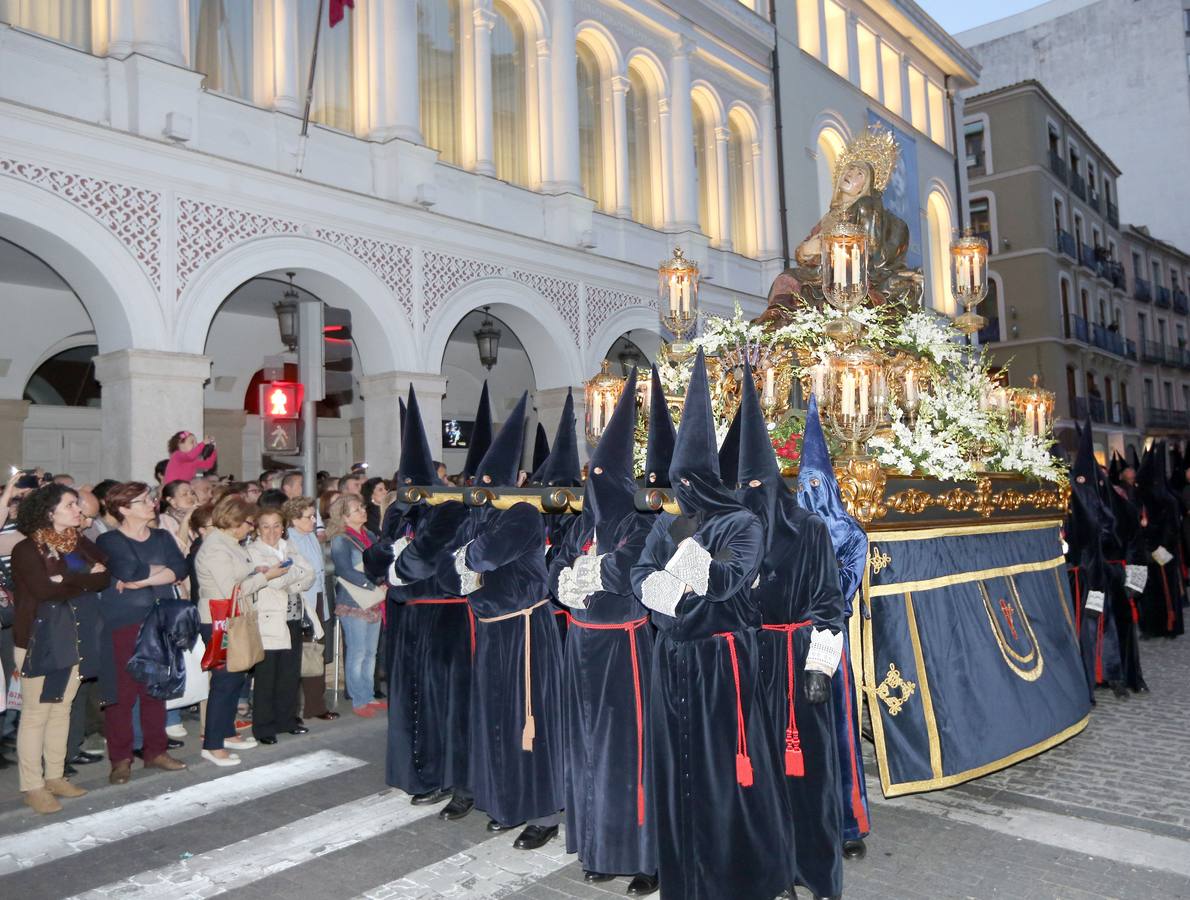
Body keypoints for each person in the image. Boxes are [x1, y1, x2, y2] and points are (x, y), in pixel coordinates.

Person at [631, 351, 794, 900]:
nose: (677, 494)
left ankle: (752, 876)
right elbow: (641, 574)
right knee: (677, 771)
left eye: (685, 483)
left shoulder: (742, 522)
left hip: (722, 663)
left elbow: (726, 580)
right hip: (671, 660)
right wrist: (664, 588)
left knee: (732, 772)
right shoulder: (671, 524)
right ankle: (688, 878)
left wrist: (677, 566)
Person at [731, 372, 847, 900]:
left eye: (758, 487)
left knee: (808, 775)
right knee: (759, 776)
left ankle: (816, 874)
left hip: (799, 661)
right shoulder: (732, 535)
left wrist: (820, 666)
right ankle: (773, 873)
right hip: (751, 661)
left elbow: (829, 602)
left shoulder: (811, 531)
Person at [438, 392, 565, 851]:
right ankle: (506, 801)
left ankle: (544, 811)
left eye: (496, 479)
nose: (486, 485)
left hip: (526, 631)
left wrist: (465, 559)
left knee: (530, 719)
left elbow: (485, 557)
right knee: (495, 719)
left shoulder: (526, 514)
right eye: (483, 478)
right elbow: (446, 574)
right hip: (492, 632)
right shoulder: (478, 517)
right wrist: (463, 561)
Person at [549, 371, 659, 894]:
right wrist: (565, 581)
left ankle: (643, 856)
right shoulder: (580, 525)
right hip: (581, 644)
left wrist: (593, 572)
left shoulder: (637, 522)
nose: (591, 485)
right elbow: (557, 569)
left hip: (623, 646)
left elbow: (633, 569)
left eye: (599, 477)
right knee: (587, 748)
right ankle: (597, 845)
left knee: (628, 751)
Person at [365, 386, 472, 812]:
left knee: (447, 702)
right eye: (402, 484)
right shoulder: (397, 511)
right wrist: (387, 560)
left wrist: (395, 566)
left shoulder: (449, 509)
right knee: (410, 700)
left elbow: (421, 563)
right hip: (406, 619)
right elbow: (373, 558)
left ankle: (455, 780)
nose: (408, 490)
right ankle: (419, 774)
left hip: (446, 620)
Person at [795, 396, 871, 862]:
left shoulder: (851, 532)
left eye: (818, 482)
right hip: (792, 641)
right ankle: (805, 819)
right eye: (806, 483)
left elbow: (844, 589)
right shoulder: (788, 527)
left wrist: (816, 605)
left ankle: (846, 822)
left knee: (838, 731)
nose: (812, 490)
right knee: (800, 732)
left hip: (828, 641)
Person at [10, 483, 110, 813]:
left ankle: (55, 775)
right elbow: (42, 590)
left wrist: (66, 577)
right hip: (40, 639)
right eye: (70, 505)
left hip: (74, 634)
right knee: (36, 713)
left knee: (61, 708)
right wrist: (82, 576)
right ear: (50, 512)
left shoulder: (78, 542)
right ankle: (32, 784)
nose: (78, 510)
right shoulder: (27, 549)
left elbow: (105, 575)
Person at [94, 482, 190, 784]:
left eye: (150, 498)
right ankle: (120, 759)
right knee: (122, 694)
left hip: (161, 618)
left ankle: (155, 752)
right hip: (124, 621)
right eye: (143, 500)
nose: (152, 503)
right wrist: (156, 574)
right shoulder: (110, 540)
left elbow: (181, 568)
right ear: (123, 509)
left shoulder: (161, 536)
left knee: (155, 690)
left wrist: (142, 580)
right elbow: (129, 571)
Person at [194, 496, 287, 766]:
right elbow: (230, 590)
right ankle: (212, 744)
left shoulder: (228, 543)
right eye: (249, 523)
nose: (251, 528)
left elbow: (237, 575)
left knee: (236, 677)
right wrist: (264, 577)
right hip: (218, 618)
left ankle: (226, 732)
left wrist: (254, 569)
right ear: (235, 522)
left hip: (233, 616)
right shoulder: (215, 548)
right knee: (224, 680)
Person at [246, 507, 316, 744]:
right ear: (257, 528)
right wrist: (289, 573)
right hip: (269, 619)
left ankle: (287, 719)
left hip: (293, 616)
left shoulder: (289, 546)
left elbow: (310, 574)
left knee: (289, 672)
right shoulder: (253, 551)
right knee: (267, 675)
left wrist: (286, 574)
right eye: (266, 525)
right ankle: (263, 727)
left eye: (277, 525)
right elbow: (273, 583)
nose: (272, 531)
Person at [328, 494, 385, 716]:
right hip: (353, 601)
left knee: (371, 652)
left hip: (372, 600)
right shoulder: (341, 539)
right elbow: (344, 570)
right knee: (358, 652)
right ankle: (358, 699)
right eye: (357, 508)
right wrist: (373, 584)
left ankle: (368, 694)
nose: (363, 510)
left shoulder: (369, 534)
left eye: (362, 506)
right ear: (344, 516)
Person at [284, 497, 338, 721]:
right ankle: (292, 709)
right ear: (295, 519)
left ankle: (316, 706)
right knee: (297, 656)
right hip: (300, 601)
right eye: (309, 516)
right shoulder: (288, 540)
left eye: (313, 515)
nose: (314, 520)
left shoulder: (312, 538)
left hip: (317, 598)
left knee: (316, 653)